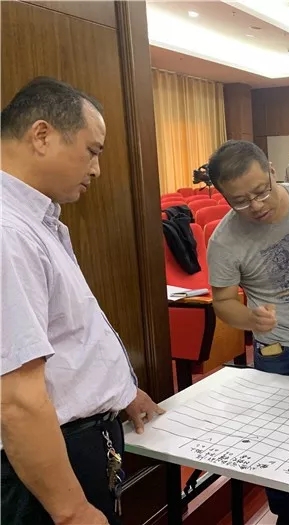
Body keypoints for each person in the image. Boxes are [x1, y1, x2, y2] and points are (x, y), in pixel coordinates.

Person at [0, 77, 163, 525]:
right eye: (92, 151)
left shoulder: (36, 221)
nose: (96, 169)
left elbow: (67, 337)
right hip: (47, 466)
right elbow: (17, 399)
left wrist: (119, 391)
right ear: (42, 135)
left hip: (80, 443)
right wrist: (71, 511)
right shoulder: (9, 232)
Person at [206, 140, 289, 525]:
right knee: (275, 439)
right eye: (240, 201)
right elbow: (223, 301)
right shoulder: (224, 240)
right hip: (279, 349)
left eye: (261, 191)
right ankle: (287, 513)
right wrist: (250, 319)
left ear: (273, 171)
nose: (256, 206)